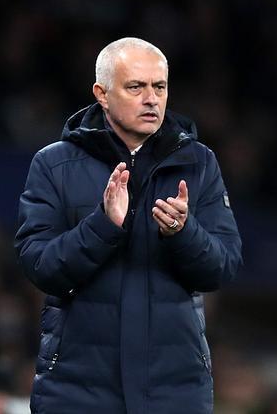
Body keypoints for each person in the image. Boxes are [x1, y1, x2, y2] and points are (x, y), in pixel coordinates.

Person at [14, 37, 242, 414]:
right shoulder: (53, 164)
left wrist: (183, 233)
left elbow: (223, 267)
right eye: (136, 87)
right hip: (77, 389)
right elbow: (40, 266)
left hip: (174, 390)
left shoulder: (199, 163)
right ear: (102, 94)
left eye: (159, 87)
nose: (151, 99)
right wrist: (102, 226)